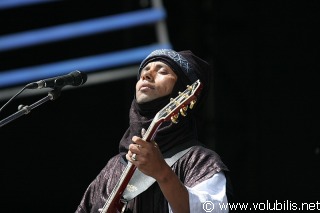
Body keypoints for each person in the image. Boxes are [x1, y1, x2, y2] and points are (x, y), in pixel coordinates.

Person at [75, 49, 232, 213]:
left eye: (163, 71)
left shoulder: (200, 162)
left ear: (183, 92)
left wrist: (163, 173)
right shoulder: (113, 169)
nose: (146, 75)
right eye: (144, 72)